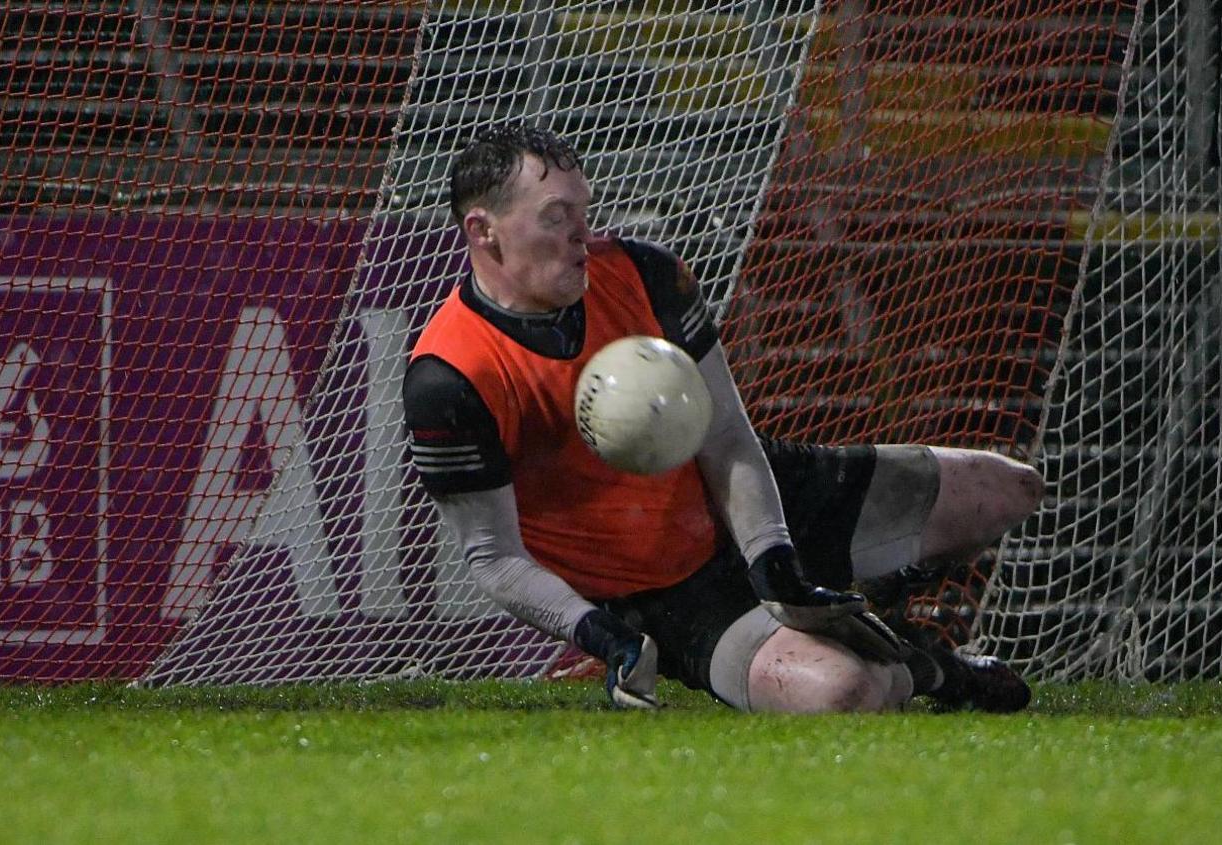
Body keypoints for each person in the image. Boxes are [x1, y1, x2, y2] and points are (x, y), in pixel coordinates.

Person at [403, 123, 1044, 713]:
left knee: (1009, 490)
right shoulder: (449, 374)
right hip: (664, 588)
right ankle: (933, 669)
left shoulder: (646, 274)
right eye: (556, 216)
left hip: (750, 499)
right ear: (485, 231)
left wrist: (774, 562)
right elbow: (494, 557)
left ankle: (871, 600)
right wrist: (607, 637)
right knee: (842, 692)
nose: (582, 232)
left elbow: (729, 439)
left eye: (584, 210)